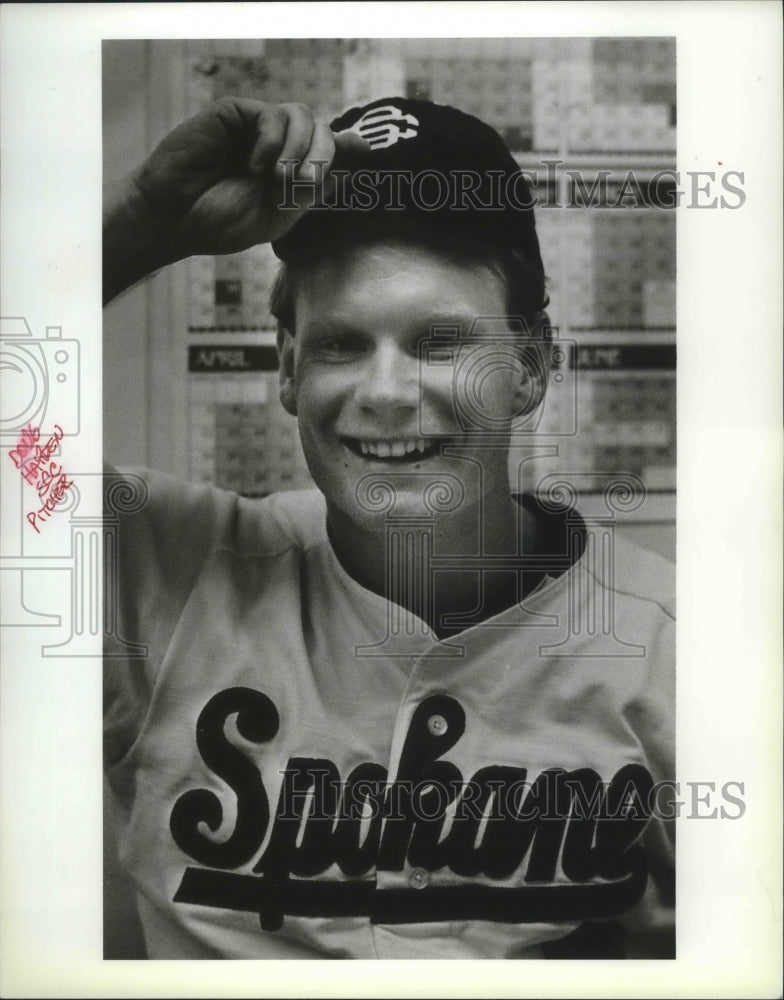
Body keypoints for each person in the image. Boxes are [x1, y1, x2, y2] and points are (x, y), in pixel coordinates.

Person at [103, 96, 675, 959]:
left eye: (440, 341)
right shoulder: (158, 574)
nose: (385, 391)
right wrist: (137, 230)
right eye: (338, 345)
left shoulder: (678, 646)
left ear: (530, 366)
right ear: (289, 370)